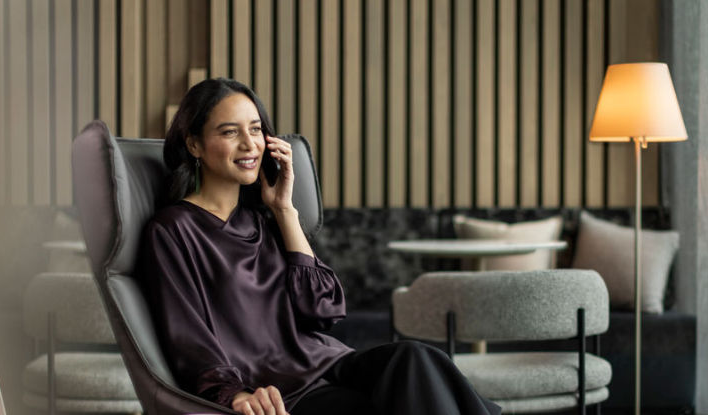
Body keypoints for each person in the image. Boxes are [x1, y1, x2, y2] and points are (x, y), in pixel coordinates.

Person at [134, 78, 501, 415]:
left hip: (328, 364)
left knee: (415, 358)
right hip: (281, 390)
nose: (249, 144)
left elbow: (324, 310)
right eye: (230, 132)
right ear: (194, 143)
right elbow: (188, 338)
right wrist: (234, 394)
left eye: (257, 130)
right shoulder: (172, 230)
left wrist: (284, 210)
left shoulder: (266, 220)